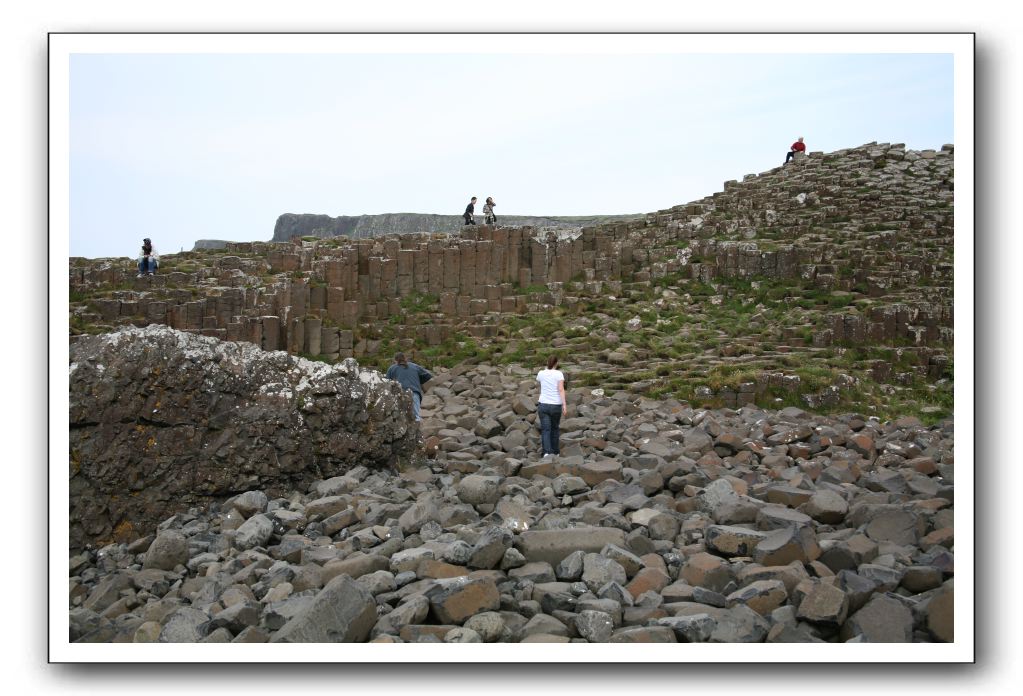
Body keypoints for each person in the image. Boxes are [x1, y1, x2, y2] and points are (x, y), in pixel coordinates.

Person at [385, 352, 433, 422]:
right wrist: (418, 381)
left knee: (401, 418)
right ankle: (418, 431)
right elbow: (428, 375)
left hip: (400, 394)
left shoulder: (392, 368)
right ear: (405, 358)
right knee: (416, 417)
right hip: (414, 393)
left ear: (395, 360)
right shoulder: (414, 366)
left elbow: (386, 382)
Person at [536, 356, 567, 458]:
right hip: (555, 405)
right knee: (554, 429)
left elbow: (540, 383)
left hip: (543, 404)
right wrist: (564, 405)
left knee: (545, 430)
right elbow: (561, 389)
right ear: (556, 363)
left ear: (547, 362)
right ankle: (555, 452)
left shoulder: (541, 373)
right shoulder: (559, 374)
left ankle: (546, 453)